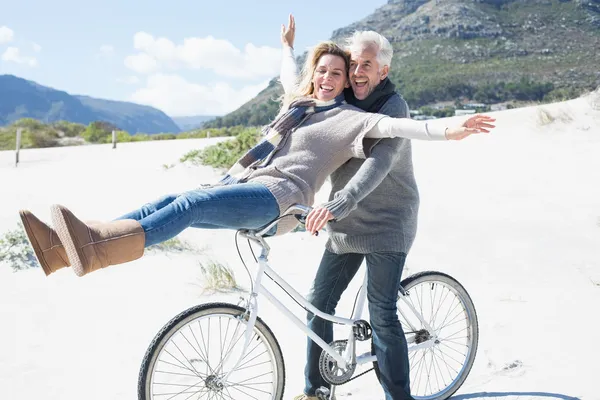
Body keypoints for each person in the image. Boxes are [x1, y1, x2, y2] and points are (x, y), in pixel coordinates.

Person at [19, 40, 494, 282]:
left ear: (349, 81)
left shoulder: (351, 119)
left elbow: (399, 128)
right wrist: (288, 45)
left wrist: (450, 130)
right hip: (255, 184)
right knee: (172, 197)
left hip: (280, 202)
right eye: (322, 72)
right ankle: (65, 250)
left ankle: (98, 249)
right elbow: (289, 73)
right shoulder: (300, 104)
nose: (328, 78)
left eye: (337, 73)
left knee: (188, 207)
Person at [278, 16, 437, 400]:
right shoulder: (343, 100)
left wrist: (337, 203)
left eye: (366, 64)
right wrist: (287, 48)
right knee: (320, 302)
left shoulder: (394, 107)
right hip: (345, 221)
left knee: (382, 314)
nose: (357, 71)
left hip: (387, 222)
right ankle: (316, 390)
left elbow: (378, 164)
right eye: (353, 64)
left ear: (384, 70)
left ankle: (399, 397)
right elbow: (295, 88)